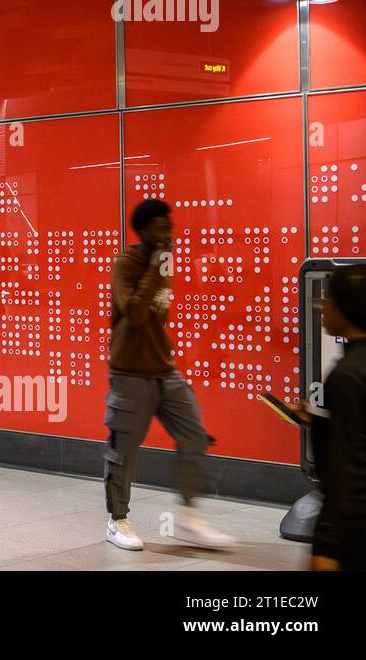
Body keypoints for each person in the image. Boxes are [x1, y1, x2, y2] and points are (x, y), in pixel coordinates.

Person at [103, 199, 234, 551]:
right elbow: (137, 312)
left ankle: (189, 516)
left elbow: (159, 316)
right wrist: (153, 266)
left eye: (170, 228)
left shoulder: (164, 261)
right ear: (143, 231)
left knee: (195, 434)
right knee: (124, 450)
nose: (168, 234)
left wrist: (161, 262)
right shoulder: (126, 263)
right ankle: (117, 521)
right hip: (129, 372)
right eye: (161, 228)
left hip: (164, 370)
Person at [296, 264, 366, 571]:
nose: (321, 307)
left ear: (347, 307)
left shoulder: (347, 375)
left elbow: (344, 470)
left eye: (327, 299)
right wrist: (323, 420)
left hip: (354, 529)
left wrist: (326, 543)